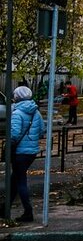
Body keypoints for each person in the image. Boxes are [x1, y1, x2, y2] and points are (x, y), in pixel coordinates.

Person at [8, 85, 45, 222]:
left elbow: (14, 135)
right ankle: (5, 207)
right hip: (31, 152)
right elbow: (42, 131)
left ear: (16, 97)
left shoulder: (17, 113)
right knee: (15, 179)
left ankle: (28, 212)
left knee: (20, 181)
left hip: (19, 152)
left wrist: (8, 143)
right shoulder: (36, 112)